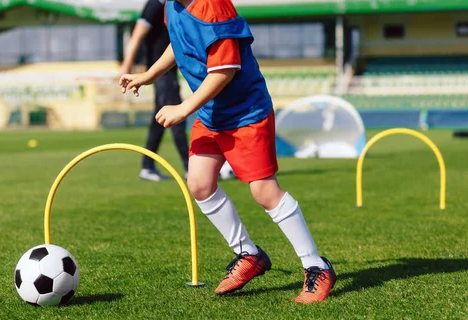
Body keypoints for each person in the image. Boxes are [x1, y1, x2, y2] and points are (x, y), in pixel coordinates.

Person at [119, 0, 336, 303]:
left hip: (245, 114)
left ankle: (316, 265)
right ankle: (248, 254)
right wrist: (149, 75)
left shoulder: (214, 7)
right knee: (199, 183)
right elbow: (179, 42)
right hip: (210, 114)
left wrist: (184, 108)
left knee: (264, 191)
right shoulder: (172, 5)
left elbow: (225, 71)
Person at [119, 0, 190, 181]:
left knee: (158, 120)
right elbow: (136, 36)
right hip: (160, 72)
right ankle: (191, 168)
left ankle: (147, 166)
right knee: (176, 118)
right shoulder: (155, 4)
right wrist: (126, 68)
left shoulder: (172, 5)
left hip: (166, 71)